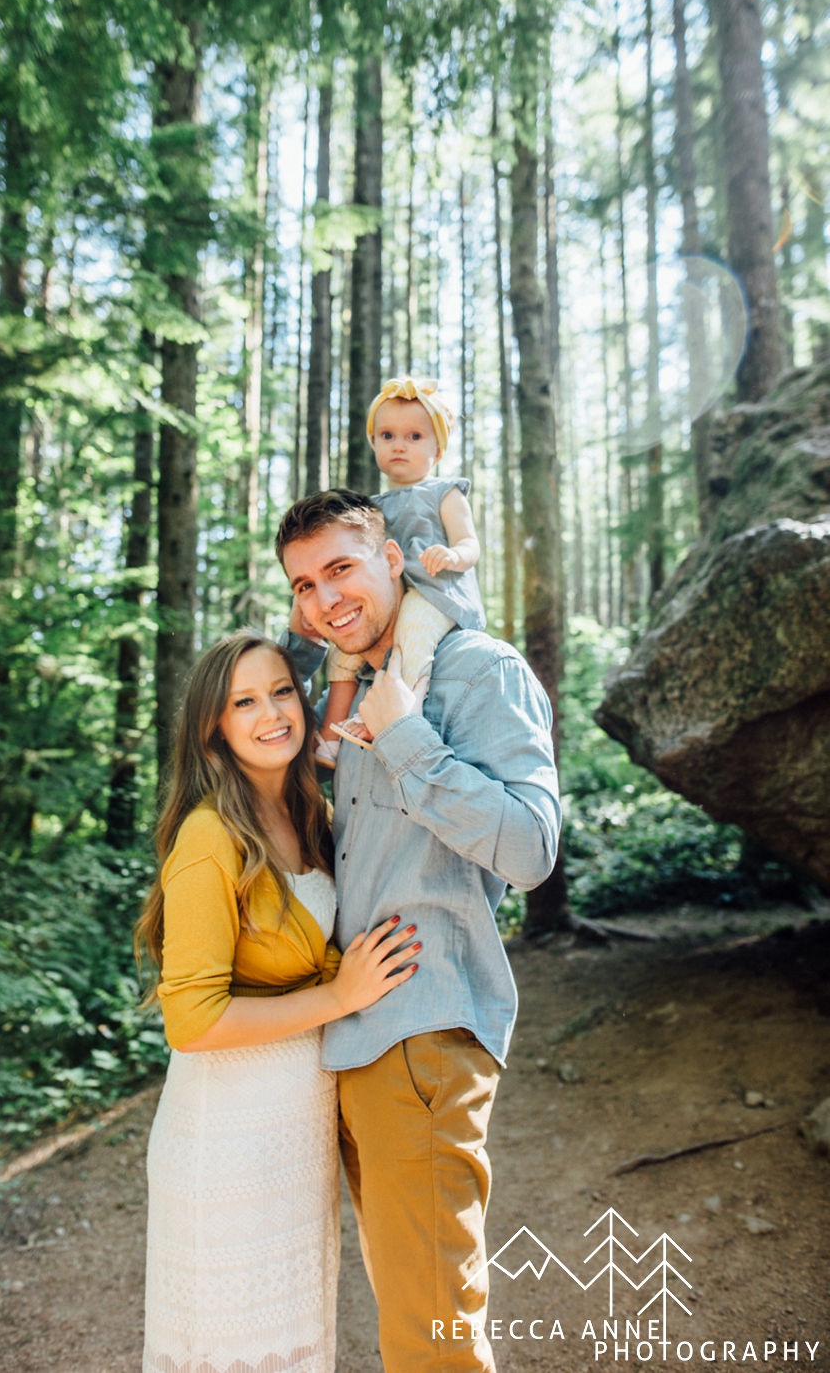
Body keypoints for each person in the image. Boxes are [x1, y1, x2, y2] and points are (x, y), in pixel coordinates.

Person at [277, 490, 562, 1373]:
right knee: (412, 1309)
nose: (324, 598)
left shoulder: (478, 669)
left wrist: (407, 740)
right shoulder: (358, 690)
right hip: (360, 1042)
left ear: (394, 559)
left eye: (340, 568)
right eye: (302, 584)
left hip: (426, 1033)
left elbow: (529, 847)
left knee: (431, 1333)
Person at [137, 630, 421, 1373]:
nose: (271, 712)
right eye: (243, 701)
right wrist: (339, 994)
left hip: (296, 1130)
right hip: (223, 1135)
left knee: (294, 1347)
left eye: (280, 691)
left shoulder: (310, 818)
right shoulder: (208, 837)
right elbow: (191, 1021)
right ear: (213, 728)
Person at [310, 377, 485, 767]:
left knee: (412, 638)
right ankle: (332, 735)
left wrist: (453, 556)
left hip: (434, 593)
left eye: (414, 436)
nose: (399, 445)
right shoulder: (368, 506)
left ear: (437, 449)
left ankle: (401, 712)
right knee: (343, 655)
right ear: (373, 442)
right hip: (391, 597)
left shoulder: (445, 493)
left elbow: (470, 543)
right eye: (387, 435)